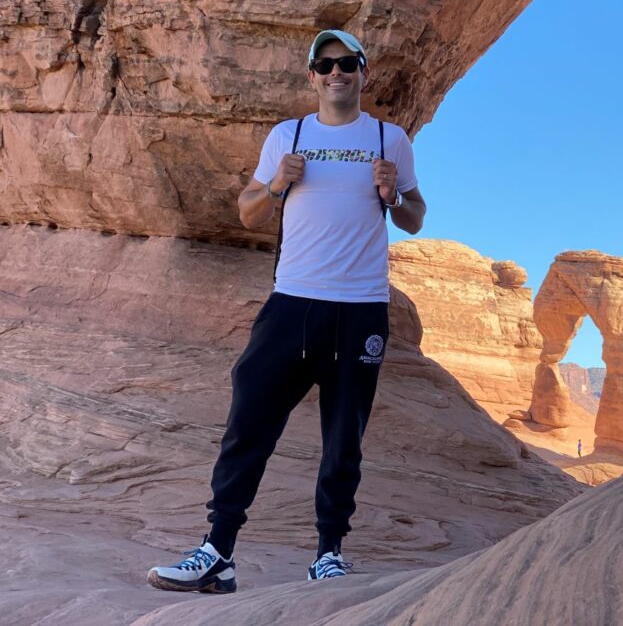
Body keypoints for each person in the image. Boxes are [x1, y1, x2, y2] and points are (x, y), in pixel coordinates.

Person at [147, 29, 426, 593]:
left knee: (343, 436)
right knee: (249, 421)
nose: (336, 74)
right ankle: (217, 552)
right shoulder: (288, 135)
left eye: (347, 63)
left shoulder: (389, 139)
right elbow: (249, 213)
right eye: (325, 66)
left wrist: (394, 194)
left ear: (363, 72)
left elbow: (416, 217)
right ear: (311, 77)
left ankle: (328, 554)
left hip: (360, 307)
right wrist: (275, 184)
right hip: (293, 301)